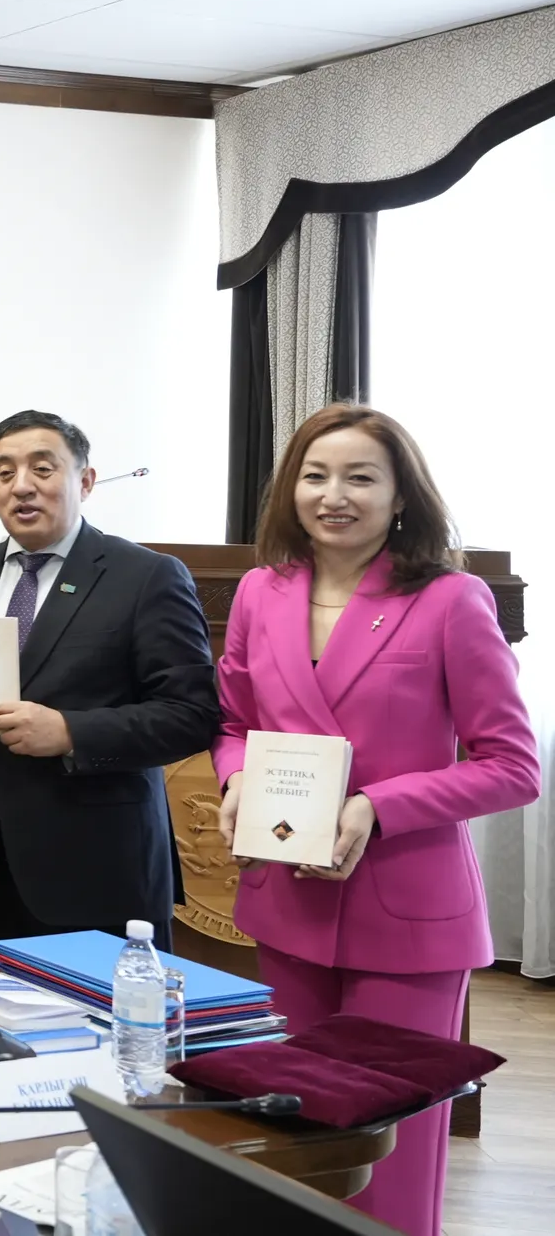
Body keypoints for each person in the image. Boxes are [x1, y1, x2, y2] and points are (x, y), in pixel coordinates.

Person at [214, 404, 537, 1236]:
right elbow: (234, 723)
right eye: (316, 476)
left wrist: (377, 806)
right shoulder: (259, 591)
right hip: (289, 896)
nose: (334, 495)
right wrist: (237, 775)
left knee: (390, 1151)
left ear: (400, 496)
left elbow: (513, 765)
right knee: (297, 1133)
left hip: (407, 909)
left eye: (360, 477)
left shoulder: (451, 599)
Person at [0, 409, 219, 950]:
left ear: (85, 481)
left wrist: (69, 732)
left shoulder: (146, 576)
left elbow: (191, 715)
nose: (21, 486)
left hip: (101, 869)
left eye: (42, 468)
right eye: (4, 472)